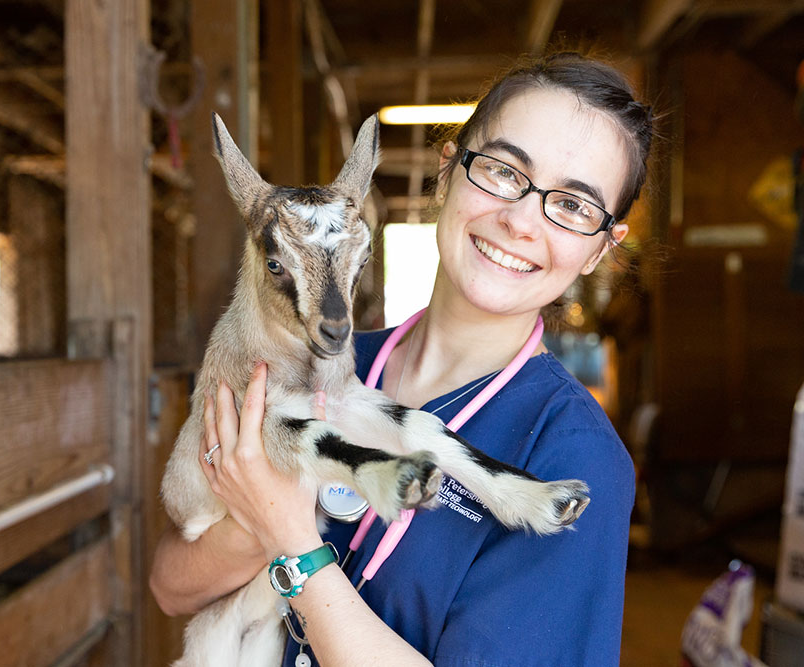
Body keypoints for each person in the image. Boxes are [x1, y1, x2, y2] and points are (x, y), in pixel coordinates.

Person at [150, 51, 655, 666]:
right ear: (446, 175)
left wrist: (291, 538)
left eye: (574, 205)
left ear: (601, 249)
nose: (522, 220)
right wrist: (252, 516)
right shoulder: (321, 364)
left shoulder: (575, 455)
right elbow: (171, 586)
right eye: (502, 171)